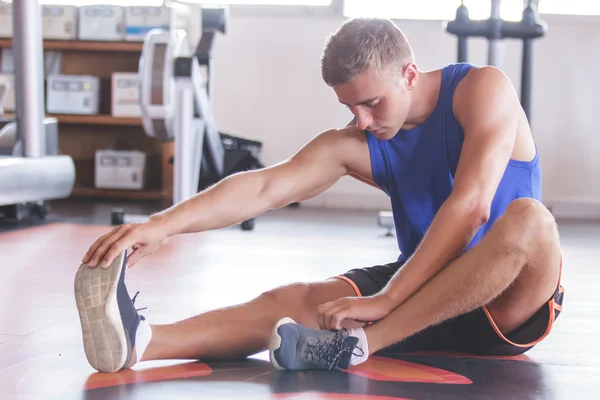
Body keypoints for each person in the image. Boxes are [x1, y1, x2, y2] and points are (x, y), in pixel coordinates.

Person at [75, 17, 564, 374]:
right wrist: (160, 226)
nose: (363, 122)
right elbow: (266, 186)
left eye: (372, 103)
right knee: (292, 301)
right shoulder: (361, 141)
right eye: (351, 107)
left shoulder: (481, 90)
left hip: (506, 300)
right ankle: (141, 342)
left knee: (529, 220)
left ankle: (361, 344)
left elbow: (472, 204)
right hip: (423, 291)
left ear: (409, 75)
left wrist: (387, 297)